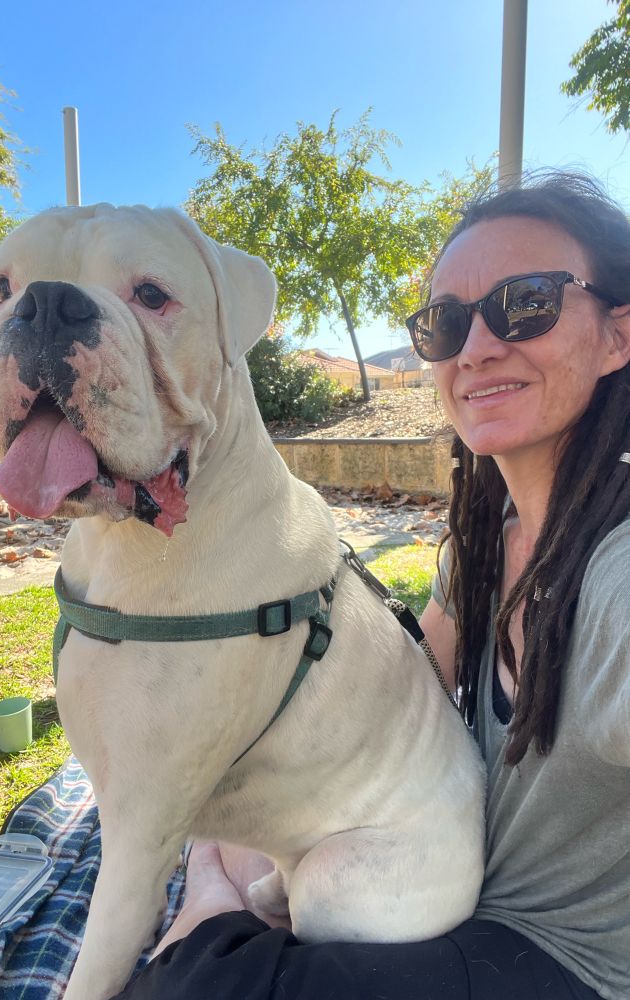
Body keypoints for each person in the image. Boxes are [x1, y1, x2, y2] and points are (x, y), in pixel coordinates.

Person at [110, 172, 630, 1000]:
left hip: (562, 962)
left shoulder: (614, 570)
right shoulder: (484, 545)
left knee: (195, 988)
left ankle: (207, 906)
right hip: (451, 874)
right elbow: (407, 678)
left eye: (526, 303)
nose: (476, 348)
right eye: (445, 322)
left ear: (616, 336)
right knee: (240, 828)